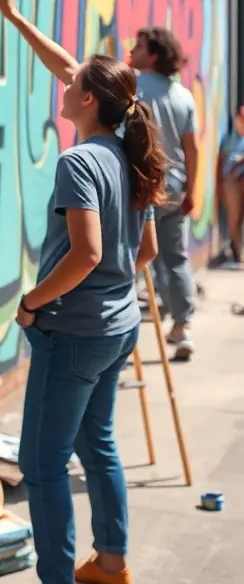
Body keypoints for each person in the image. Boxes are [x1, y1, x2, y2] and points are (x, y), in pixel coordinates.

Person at [0, 0, 166, 584]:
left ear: (88, 100)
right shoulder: (130, 153)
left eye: (72, 85)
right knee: (98, 447)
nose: (62, 85)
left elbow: (87, 253)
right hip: (119, 327)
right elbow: (144, 251)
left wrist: (31, 303)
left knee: (41, 466)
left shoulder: (79, 162)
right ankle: (111, 567)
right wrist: (16, 17)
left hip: (73, 333)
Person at [128, 26, 199, 360]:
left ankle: (123, 337)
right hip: (174, 188)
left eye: (139, 46)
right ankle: (183, 327)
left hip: (142, 186)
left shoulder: (135, 87)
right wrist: (191, 190)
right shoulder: (183, 95)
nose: (133, 50)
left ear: (153, 55)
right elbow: (191, 148)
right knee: (175, 258)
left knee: (130, 256)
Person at [215, 103, 244, 267]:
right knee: (234, 219)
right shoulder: (227, 140)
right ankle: (238, 254)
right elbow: (220, 162)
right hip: (232, 183)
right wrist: (219, 186)